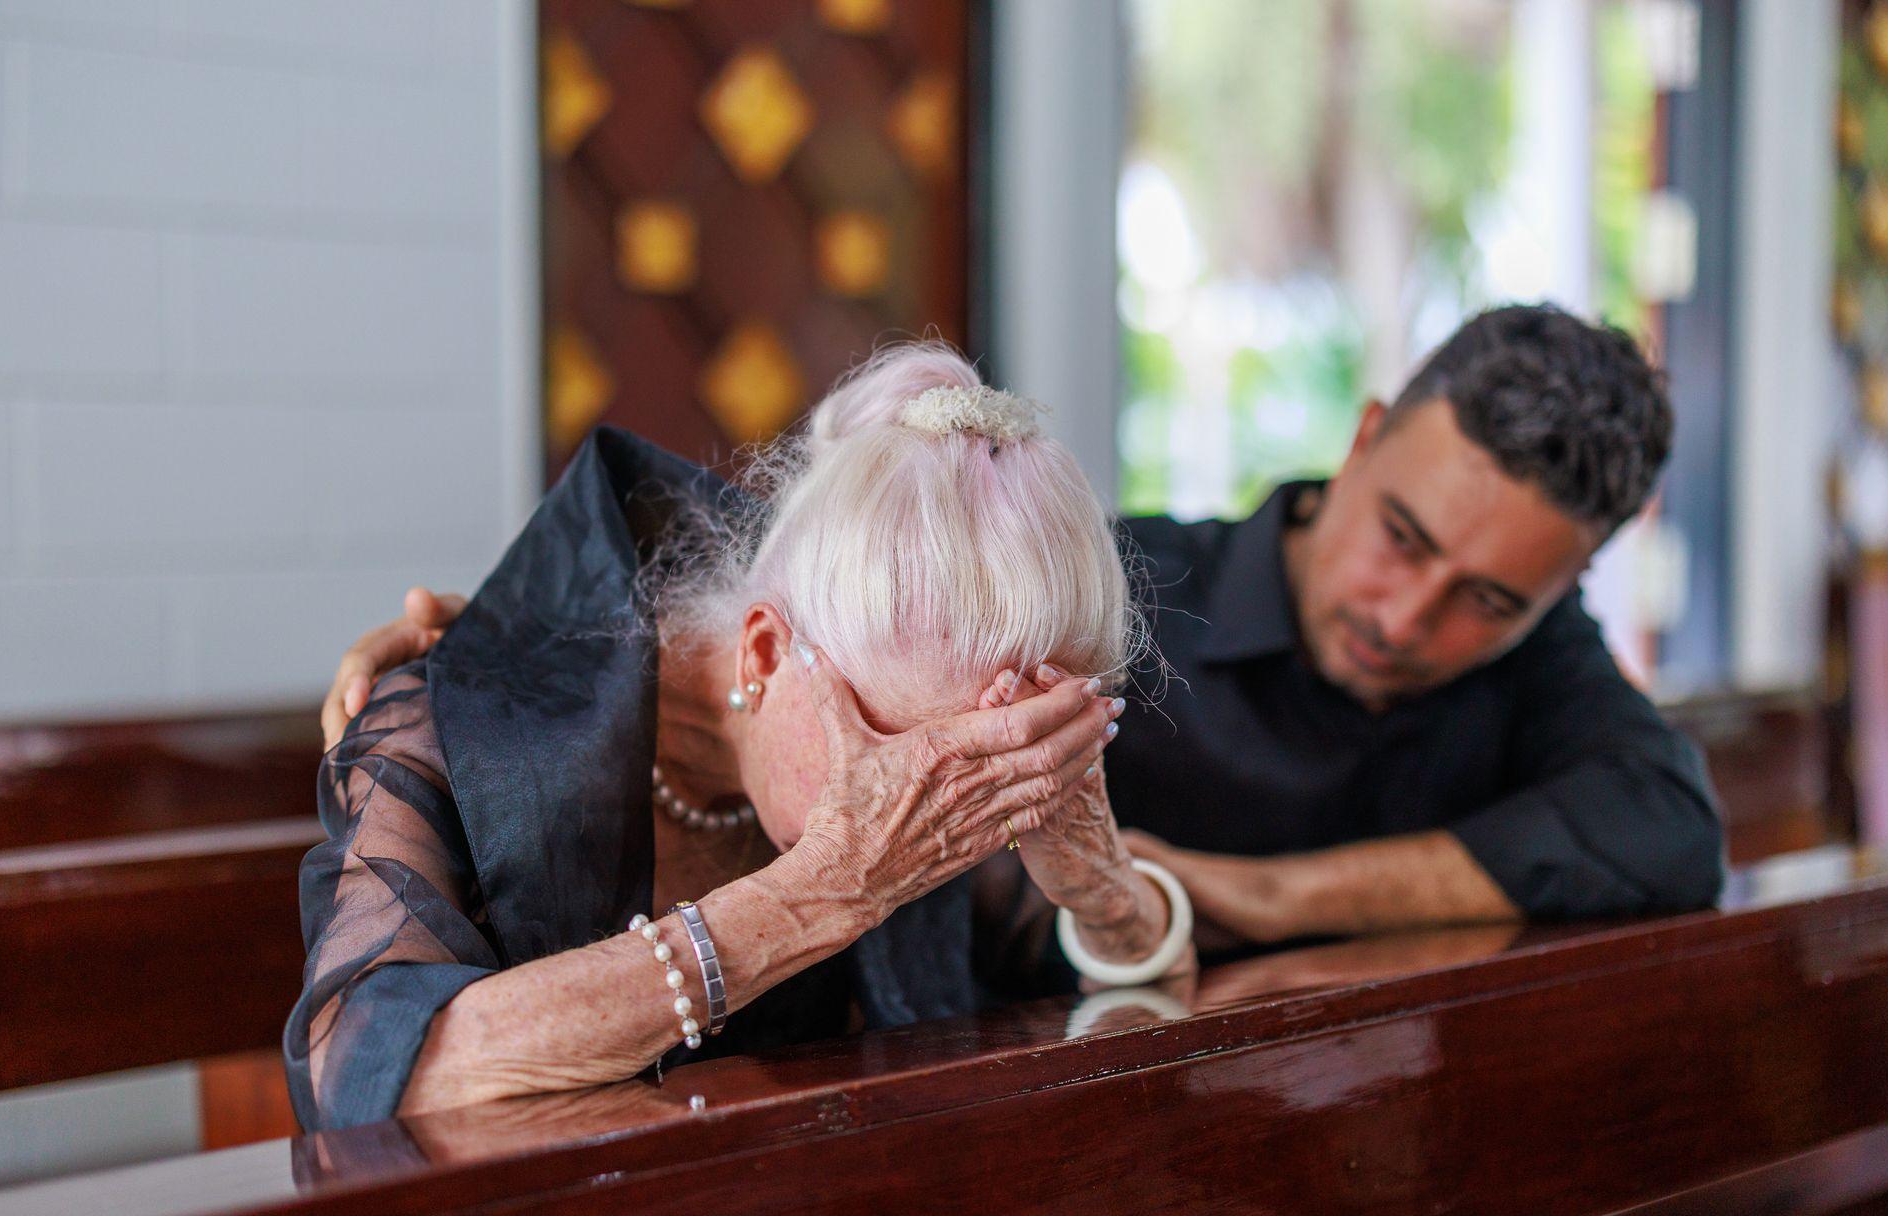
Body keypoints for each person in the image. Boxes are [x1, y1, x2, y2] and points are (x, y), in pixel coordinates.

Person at [327, 306, 1724, 954]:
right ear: (1364, 439)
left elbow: (1668, 831)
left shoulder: (1543, 666)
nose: (1408, 615)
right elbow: (821, 599)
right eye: (1404, 537)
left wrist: (1217, 885)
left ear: (1562, 590)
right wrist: (538, 640)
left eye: (1490, 598)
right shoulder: (1112, 583)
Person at [286, 344, 1194, 1134]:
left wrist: (1103, 889)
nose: (951, 816)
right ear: (764, 652)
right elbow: (371, 1079)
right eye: (928, 766)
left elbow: (1111, 997)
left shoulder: (952, 766)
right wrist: (819, 895)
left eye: (1009, 764)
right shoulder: (449, 727)